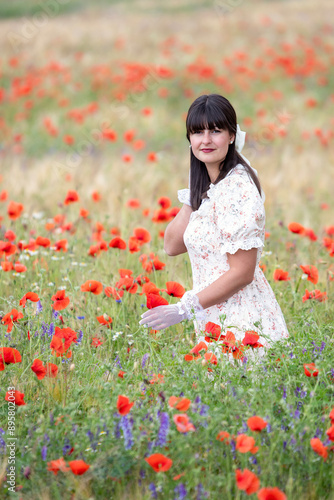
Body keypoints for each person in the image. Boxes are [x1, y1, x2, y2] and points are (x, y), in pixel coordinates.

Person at [139, 94, 289, 359]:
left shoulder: (239, 189)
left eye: (215, 131)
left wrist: (183, 309)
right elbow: (172, 245)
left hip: (245, 328)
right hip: (213, 322)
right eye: (197, 132)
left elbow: (243, 272)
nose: (205, 140)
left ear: (232, 136)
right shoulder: (213, 188)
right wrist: (194, 190)